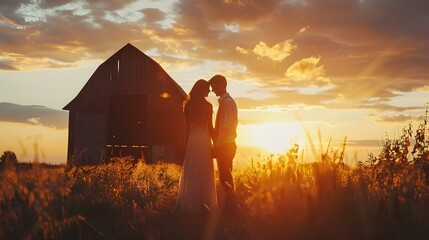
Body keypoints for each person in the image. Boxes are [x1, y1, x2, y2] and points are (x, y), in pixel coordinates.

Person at [176, 79, 218, 214]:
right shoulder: (208, 106)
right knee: (204, 169)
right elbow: (210, 128)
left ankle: (191, 202)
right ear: (201, 89)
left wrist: (184, 146)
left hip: (193, 140)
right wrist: (217, 143)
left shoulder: (188, 105)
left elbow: (186, 129)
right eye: (207, 88)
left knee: (192, 170)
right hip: (204, 140)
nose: (210, 91)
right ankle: (204, 202)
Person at [209, 74, 238, 214]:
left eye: (214, 86)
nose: (212, 90)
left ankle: (231, 209)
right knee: (226, 177)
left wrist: (217, 146)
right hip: (227, 145)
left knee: (225, 178)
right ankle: (230, 207)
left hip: (225, 146)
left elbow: (225, 128)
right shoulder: (226, 102)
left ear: (221, 85)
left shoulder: (226, 103)